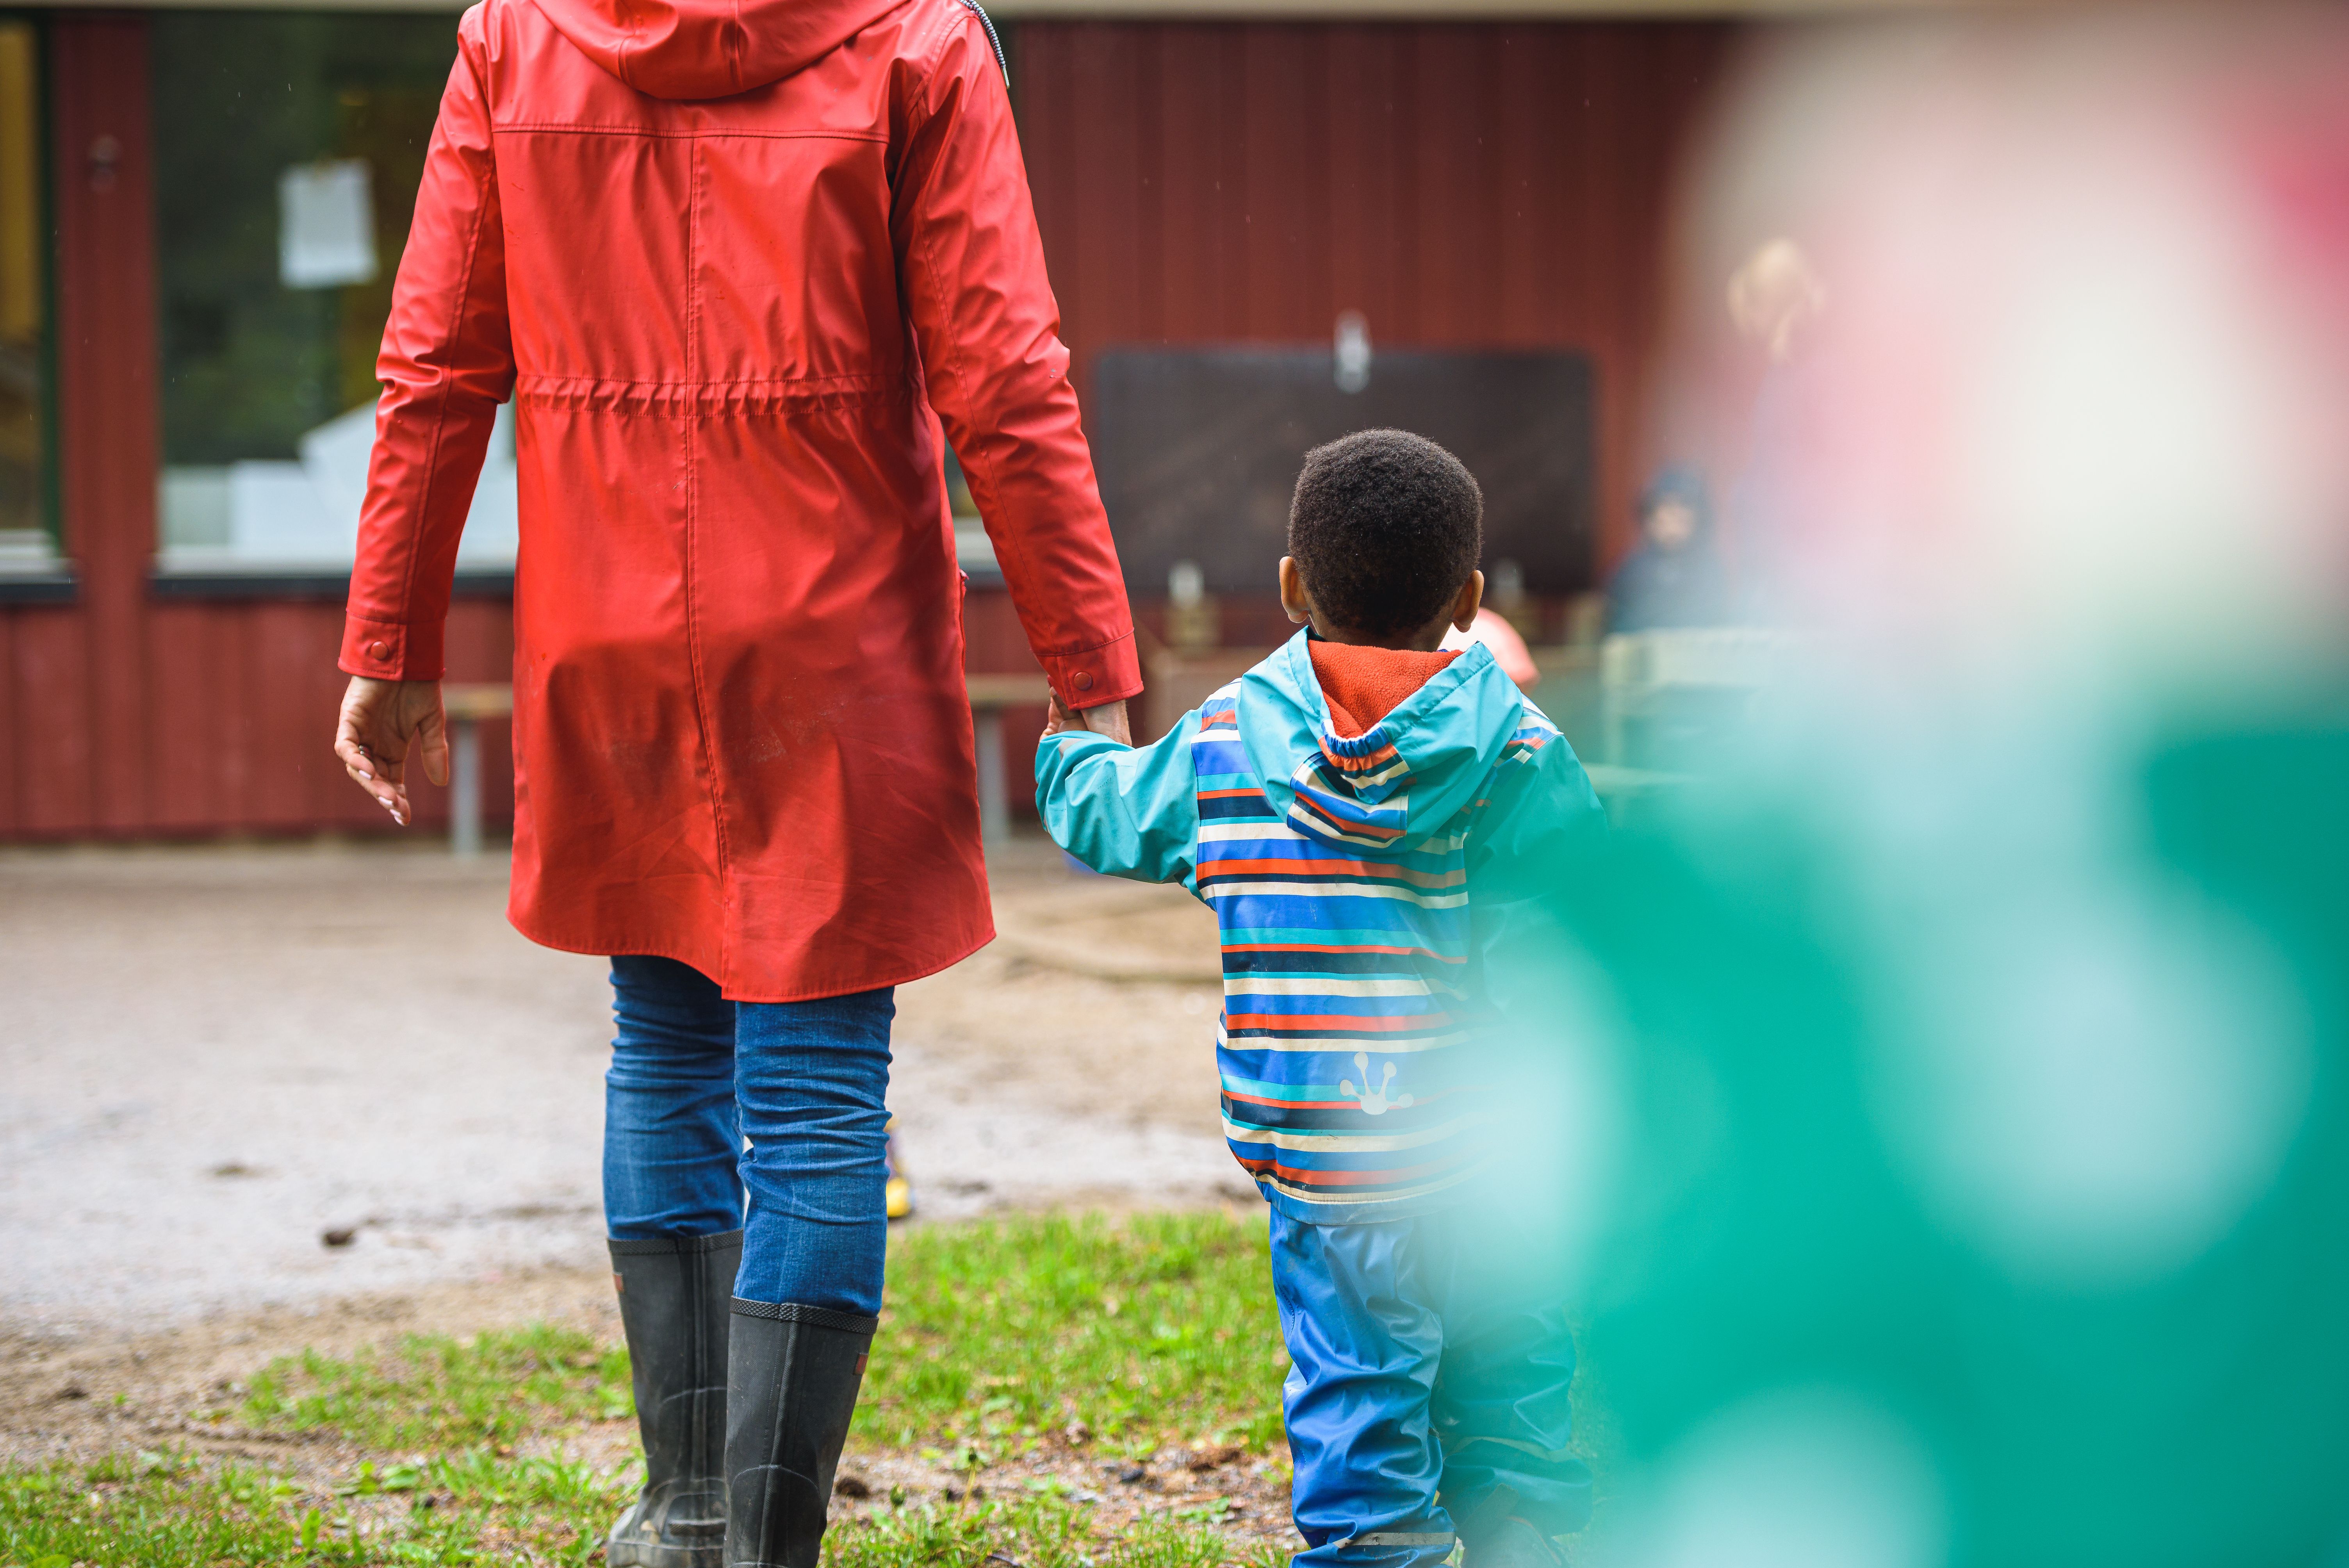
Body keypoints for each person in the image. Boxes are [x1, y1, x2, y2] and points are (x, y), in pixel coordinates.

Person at [327, 0, 1139, 1562]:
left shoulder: (514, 35)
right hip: (833, 636)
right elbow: (1004, 374)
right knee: (820, 1088)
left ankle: (683, 1506)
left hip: (607, 622)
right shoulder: (919, 43)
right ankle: (766, 1540)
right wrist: (1089, 662)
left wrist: (392, 635)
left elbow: (437, 361)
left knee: (665, 1042)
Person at [1035, 430, 1608, 1568]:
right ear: (1469, 599)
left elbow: (1108, 813)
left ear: (1294, 584)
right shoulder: (1521, 758)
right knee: (1512, 1370)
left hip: (1332, 1168)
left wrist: (1068, 747)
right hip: (1496, 1158)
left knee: (1359, 1396)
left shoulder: (1219, 752)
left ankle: (1380, 1546)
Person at [1606, 463, 1728, 633]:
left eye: (1680, 518)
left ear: (1697, 521)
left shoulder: (1709, 570)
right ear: (1649, 521)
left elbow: (1718, 621)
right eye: (1664, 516)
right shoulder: (1632, 571)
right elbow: (1619, 623)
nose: (1672, 526)